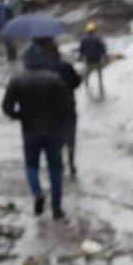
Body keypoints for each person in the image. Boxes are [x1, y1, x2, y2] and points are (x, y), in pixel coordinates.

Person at [2, 54, 74, 220]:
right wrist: (60, 121)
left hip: (30, 132)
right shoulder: (54, 79)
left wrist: (19, 116)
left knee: (31, 166)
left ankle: (37, 192)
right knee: (56, 169)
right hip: (53, 132)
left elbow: (6, 107)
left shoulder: (16, 81)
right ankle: (57, 209)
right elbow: (66, 105)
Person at [22, 38, 82, 177]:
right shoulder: (64, 66)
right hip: (68, 107)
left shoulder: (39, 68)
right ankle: (71, 163)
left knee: (55, 138)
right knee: (70, 136)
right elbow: (76, 83)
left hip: (48, 110)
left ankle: (57, 164)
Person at [78, 21, 107, 99]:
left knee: (87, 74)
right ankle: (101, 88)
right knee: (99, 75)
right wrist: (104, 56)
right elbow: (102, 48)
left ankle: (87, 86)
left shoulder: (84, 38)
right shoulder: (98, 38)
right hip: (97, 59)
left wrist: (80, 57)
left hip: (88, 60)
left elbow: (81, 49)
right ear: (94, 29)